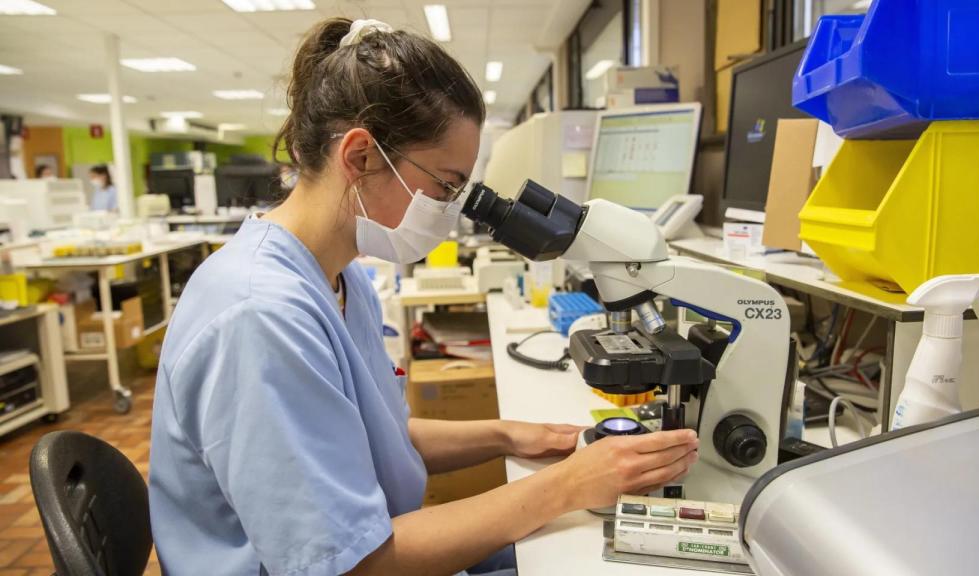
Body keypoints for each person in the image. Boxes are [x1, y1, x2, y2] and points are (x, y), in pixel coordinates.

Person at [149, 17, 699, 576]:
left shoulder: (339, 278)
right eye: (446, 185)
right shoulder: (259, 317)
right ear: (360, 157)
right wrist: (570, 485)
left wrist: (509, 434)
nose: (453, 207)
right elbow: (350, 565)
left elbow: (368, 432)